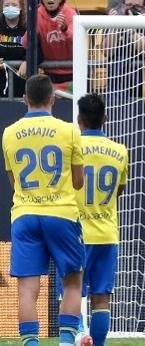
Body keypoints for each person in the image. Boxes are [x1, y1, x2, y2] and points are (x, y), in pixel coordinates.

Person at [4, 74, 86, 346]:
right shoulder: (70, 130)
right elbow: (78, 181)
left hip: (25, 215)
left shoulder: (9, 133)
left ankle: (30, 344)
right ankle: (65, 342)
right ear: (53, 98)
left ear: (24, 99)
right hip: (61, 214)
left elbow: (14, 182)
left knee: (27, 288)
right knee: (73, 281)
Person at [74, 92, 129, 346]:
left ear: (78, 119)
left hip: (76, 233)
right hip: (106, 232)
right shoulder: (120, 151)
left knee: (71, 293)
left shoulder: (71, 149)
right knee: (101, 298)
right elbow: (119, 190)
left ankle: (77, 335)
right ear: (105, 118)